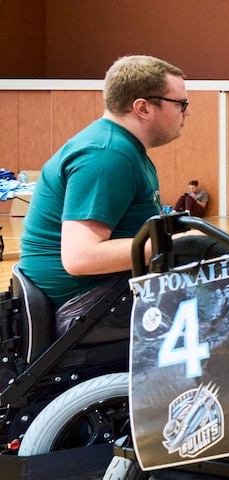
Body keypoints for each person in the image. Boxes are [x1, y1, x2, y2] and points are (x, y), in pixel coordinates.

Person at [19, 55, 190, 341]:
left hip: (99, 297)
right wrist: (175, 245)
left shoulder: (121, 148)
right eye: (180, 104)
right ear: (143, 108)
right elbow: (81, 257)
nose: (186, 113)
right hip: (84, 309)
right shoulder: (107, 154)